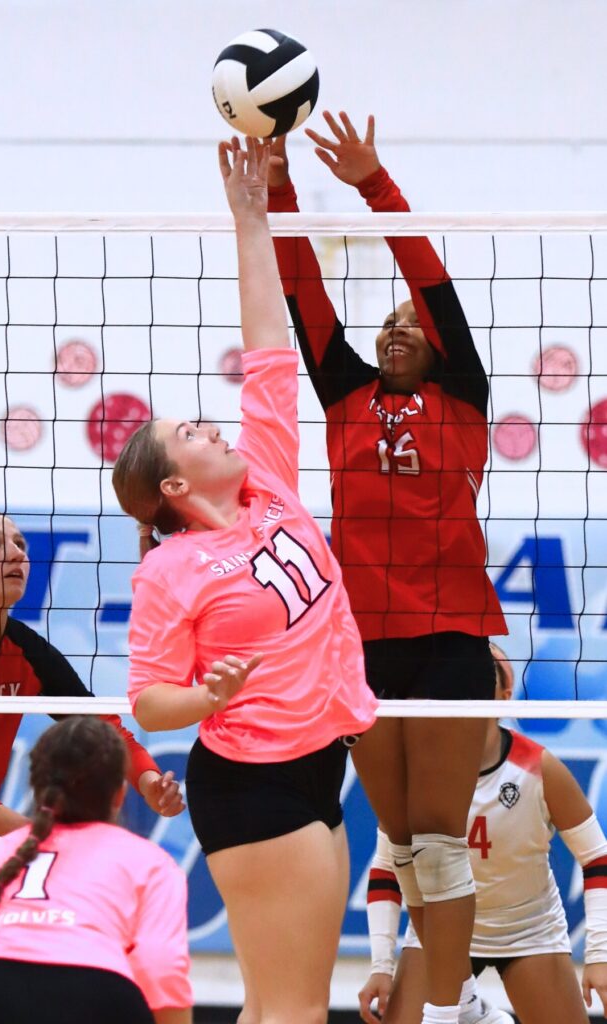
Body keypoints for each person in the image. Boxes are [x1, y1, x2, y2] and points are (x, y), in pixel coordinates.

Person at [112, 136, 379, 1024]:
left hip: (313, 765)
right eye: (193, 432)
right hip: (253, 780)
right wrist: (209, 693)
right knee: (297, 1011)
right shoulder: (172, 569)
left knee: (276, 1007)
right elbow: (148, 703)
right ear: (175, 488)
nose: (216, 428)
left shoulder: (267, 481)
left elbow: (269, 349)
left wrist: (251, 218)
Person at [267, 111, 508, 1024]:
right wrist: (281, 190)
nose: (400, 324)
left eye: (415, 323)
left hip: (450, 638)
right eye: (390, 321)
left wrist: (375, 184)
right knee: (400, 842)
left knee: (442, 845)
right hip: (360, 643)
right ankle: (445, 990)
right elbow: (300, 290)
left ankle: (448, 1011)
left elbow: (429, 277)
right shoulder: (343, 390)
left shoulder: (463, 396)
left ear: (442, 345)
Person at [0, 509, 184, 978]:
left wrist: (146, 779)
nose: (16, 553)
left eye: (20, 544)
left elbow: (103, 727)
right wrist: (34, 834)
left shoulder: (28, 653)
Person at [358, 646, 607, 1024]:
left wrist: (601, 955)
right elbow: (385, 868)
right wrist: (380, 965)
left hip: (528, 931)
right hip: (435, 930)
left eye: (483, 669)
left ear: (504, 694)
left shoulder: (540, 768)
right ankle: (474, 1011)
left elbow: (597, 858)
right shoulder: (420, 778)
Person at [0, 715, 192, 1024]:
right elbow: (160, 967)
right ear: (119, 796)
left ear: (36, 789)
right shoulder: (150, 861)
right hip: (95, 991)